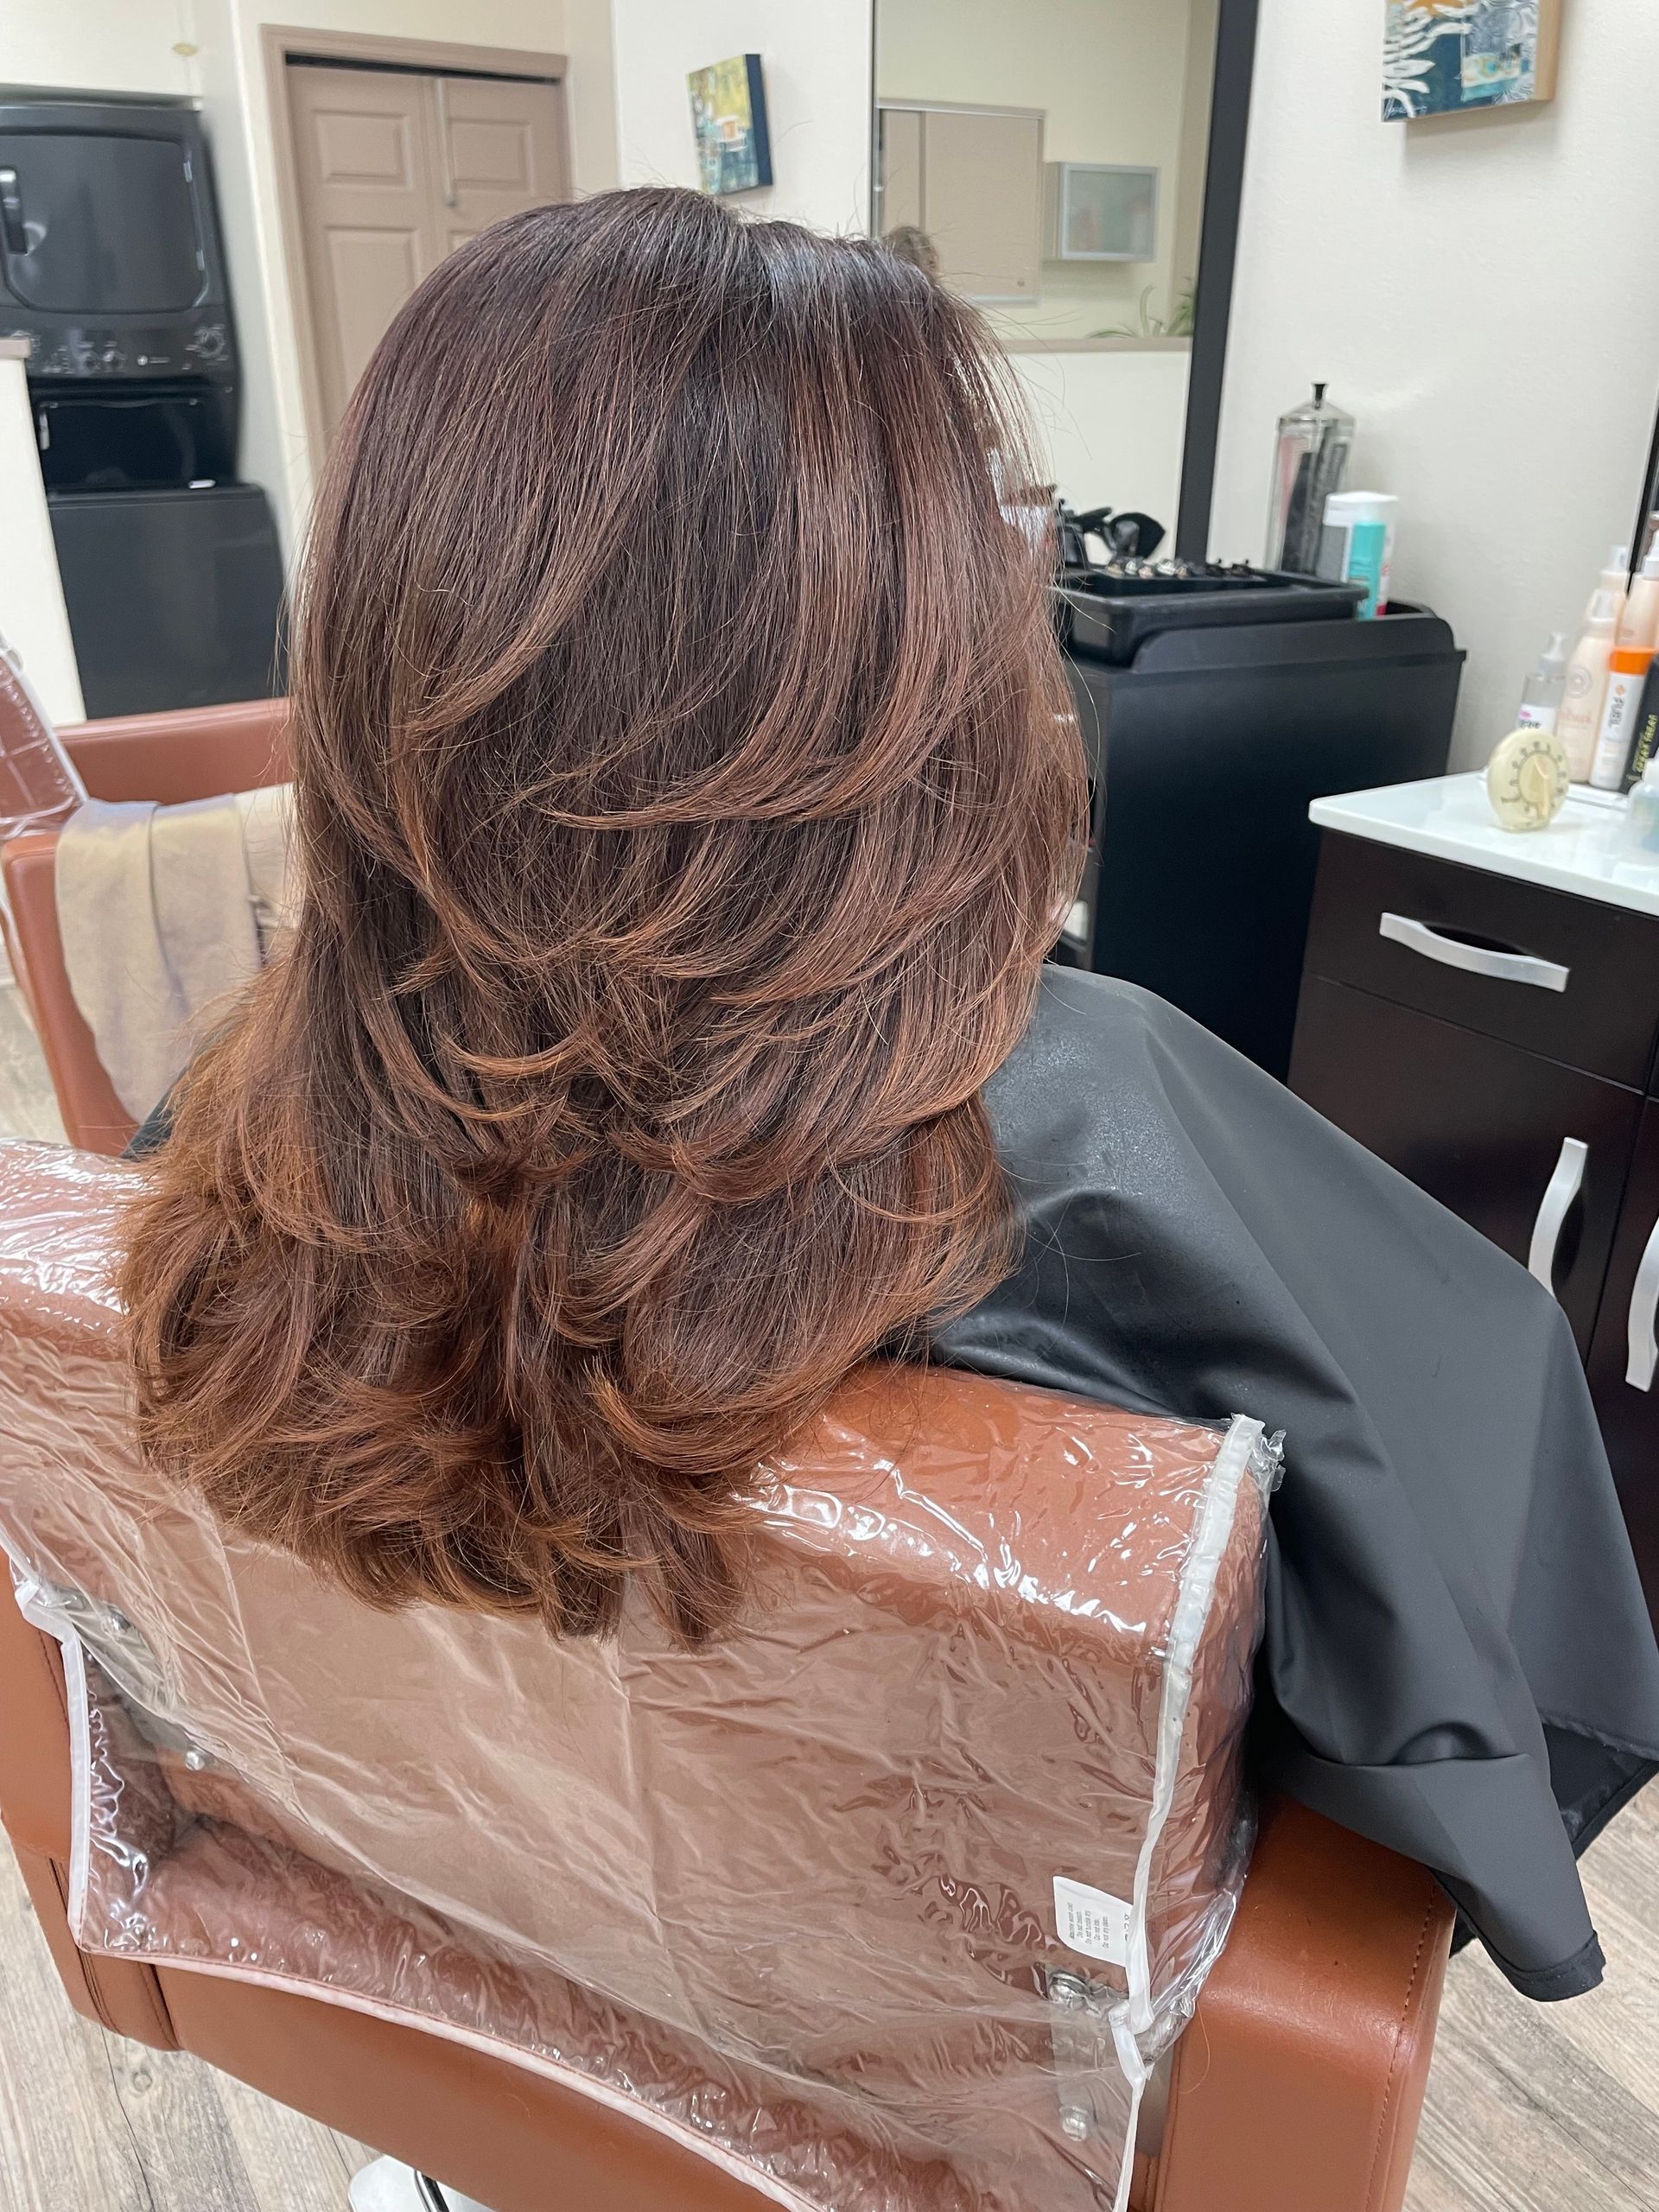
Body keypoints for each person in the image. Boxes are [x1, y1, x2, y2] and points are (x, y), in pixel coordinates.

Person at [122, 188, 1659, 2007]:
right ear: (926, 661)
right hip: (940, 2067)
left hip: (472, 1994)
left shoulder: (233, 1130)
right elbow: (1492, 1715)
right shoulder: (1122, 1129)